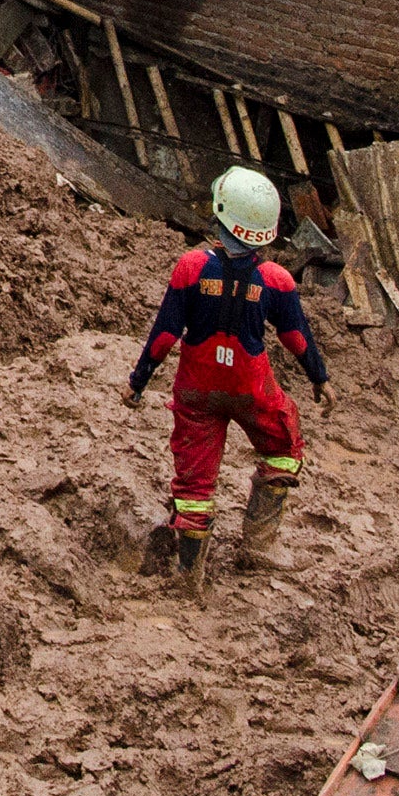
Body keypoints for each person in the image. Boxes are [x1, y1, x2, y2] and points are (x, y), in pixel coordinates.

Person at [125, 166, 332, 584]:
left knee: (195, 483)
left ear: (220, 216)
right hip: (251, 389)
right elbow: (296, 338)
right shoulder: (276, 280)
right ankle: (259, 546)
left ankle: (188, 574)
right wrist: (319, 378)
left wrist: (137, 382)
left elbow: (164, 336)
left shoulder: (191, 268)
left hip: (197, 390)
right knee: (282, 449)